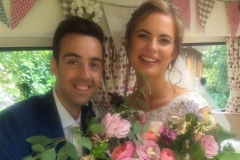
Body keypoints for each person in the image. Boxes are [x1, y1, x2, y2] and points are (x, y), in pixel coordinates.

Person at [0, 16, 105, 160]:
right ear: (54, 66)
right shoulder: (11, 124)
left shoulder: (91, 119)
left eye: (94, 65)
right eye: (73, 62)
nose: (86, 75)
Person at [124, 0, 212, 122]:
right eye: (143, 36)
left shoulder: (195, 111)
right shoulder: (119, 110)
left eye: (164, 40)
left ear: (172, 54)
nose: (152, 47)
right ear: (128, 44)